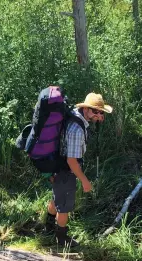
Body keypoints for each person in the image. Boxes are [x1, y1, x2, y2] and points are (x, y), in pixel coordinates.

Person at [45, 92, 112, 247]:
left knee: (57, 197)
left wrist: (97, 116)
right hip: (66, 170)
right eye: (95, 111)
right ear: (86, 109)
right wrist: (85, 181)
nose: (98, 115)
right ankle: (61, 238)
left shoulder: (74, 116)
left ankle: (48, 226)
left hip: (56, 164)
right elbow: (72, 161)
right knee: (65, 206)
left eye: (101, 112)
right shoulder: (77, 129)